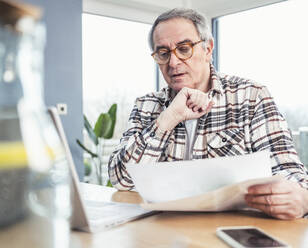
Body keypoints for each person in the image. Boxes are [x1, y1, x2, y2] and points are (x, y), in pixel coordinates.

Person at [107, 8, 308, 220]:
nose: (173, 63)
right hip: (163, 231)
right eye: (163, 53)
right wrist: (168, 118)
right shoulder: (146, 105)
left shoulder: (251, 96)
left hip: (233, 231)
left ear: (208, 49)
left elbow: (287, 170)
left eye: (184, 49)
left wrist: (303, 199)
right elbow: (122, 179)